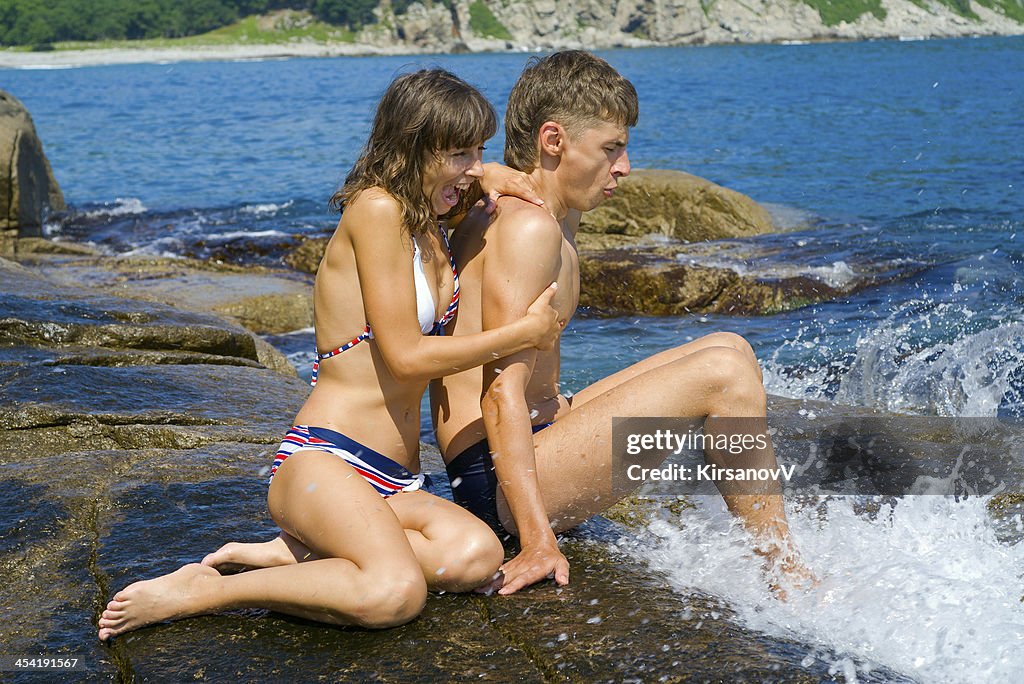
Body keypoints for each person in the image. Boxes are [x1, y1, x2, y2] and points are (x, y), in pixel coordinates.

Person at [97, 68, 563, 641]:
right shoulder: (377, 210)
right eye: (459, 152)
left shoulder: (429, 218)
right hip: (327, 460)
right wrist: (525, 333)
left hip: (397, 480)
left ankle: (293, 556)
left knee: (475, 555)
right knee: (394, 594)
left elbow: (468, 177)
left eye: (479, 151)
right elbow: (407, 357)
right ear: (415, 145)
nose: (472, 167)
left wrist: (490, 172)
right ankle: (209, 590)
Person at [431, 50, 812, 596]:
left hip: (537, 439)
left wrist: (490, 171)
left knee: (731, 346)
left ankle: (767, 550)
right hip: (499, 487)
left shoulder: (553, 212)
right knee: (724, 376)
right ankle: (786, 577)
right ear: (554, 140)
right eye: (611, 149)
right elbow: (498, 394)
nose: (626, 167)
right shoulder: (526, 227)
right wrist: (539, 540)